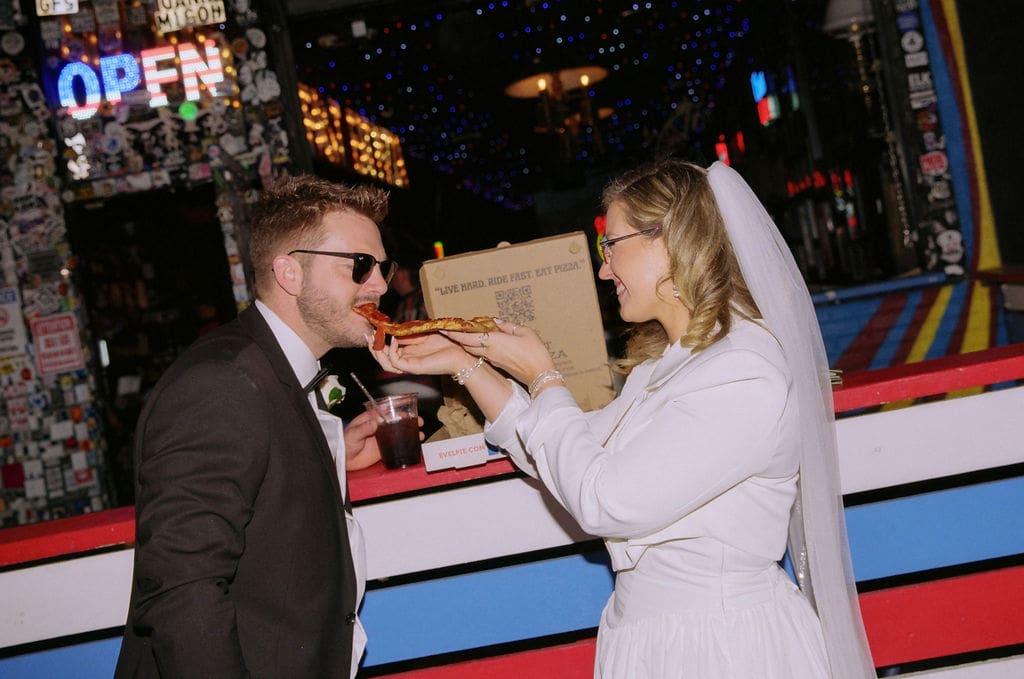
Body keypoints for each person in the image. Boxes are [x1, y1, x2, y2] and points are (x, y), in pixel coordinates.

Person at [372, 160, 875, 678]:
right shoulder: (668, 369)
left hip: (723, 647)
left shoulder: (744, 373)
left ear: (670, 240)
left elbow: (604, 500)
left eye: (610, 246)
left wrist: (545, 375)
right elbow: (558, 451)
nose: (603, 269)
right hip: (656, 638)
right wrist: (466, 362)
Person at [114, 175, 397, 678]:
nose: (378, 284)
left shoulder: (273, 370)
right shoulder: (221, 383)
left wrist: (330, 457)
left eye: (381, 267)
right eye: (360, 266)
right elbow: (183, 589)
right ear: (289, 272)